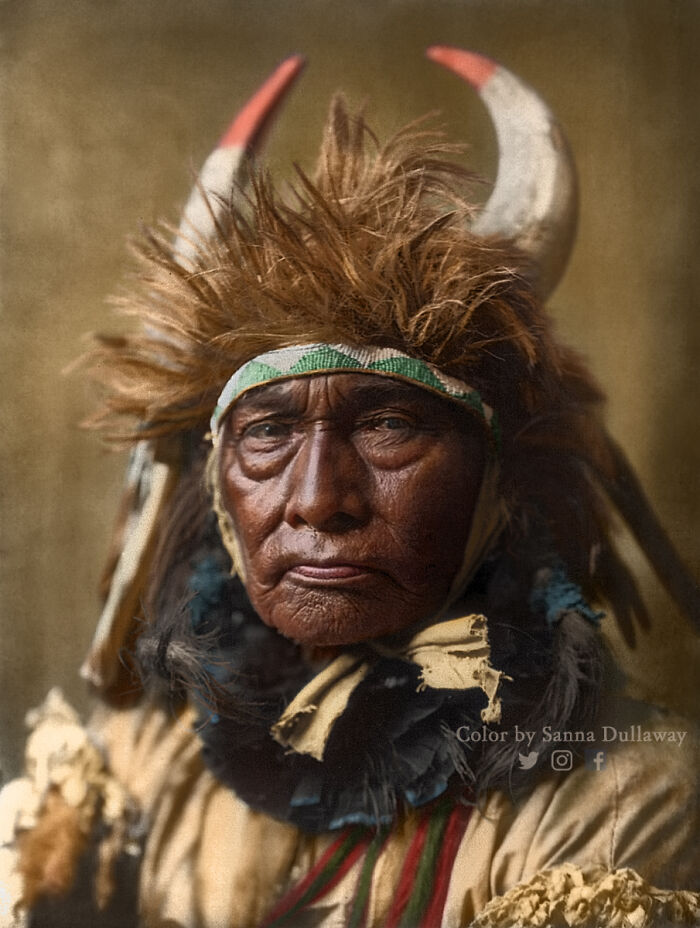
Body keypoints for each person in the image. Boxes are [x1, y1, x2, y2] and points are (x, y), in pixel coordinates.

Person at [1, 48, 698, 928]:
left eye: (389, 426)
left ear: (500, 484)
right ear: (216, 488)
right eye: (267, 433)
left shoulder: (619, 796)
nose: (318, 498)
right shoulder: (143, 770)